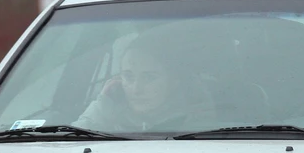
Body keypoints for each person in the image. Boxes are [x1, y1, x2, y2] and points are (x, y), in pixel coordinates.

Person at [75, 30, 214, 133]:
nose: (136, 89)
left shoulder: (198, 122)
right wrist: (103, 104)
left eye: (149, 77)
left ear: (173, 81)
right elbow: (72, 142)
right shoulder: (110, 113)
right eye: (128, 76)